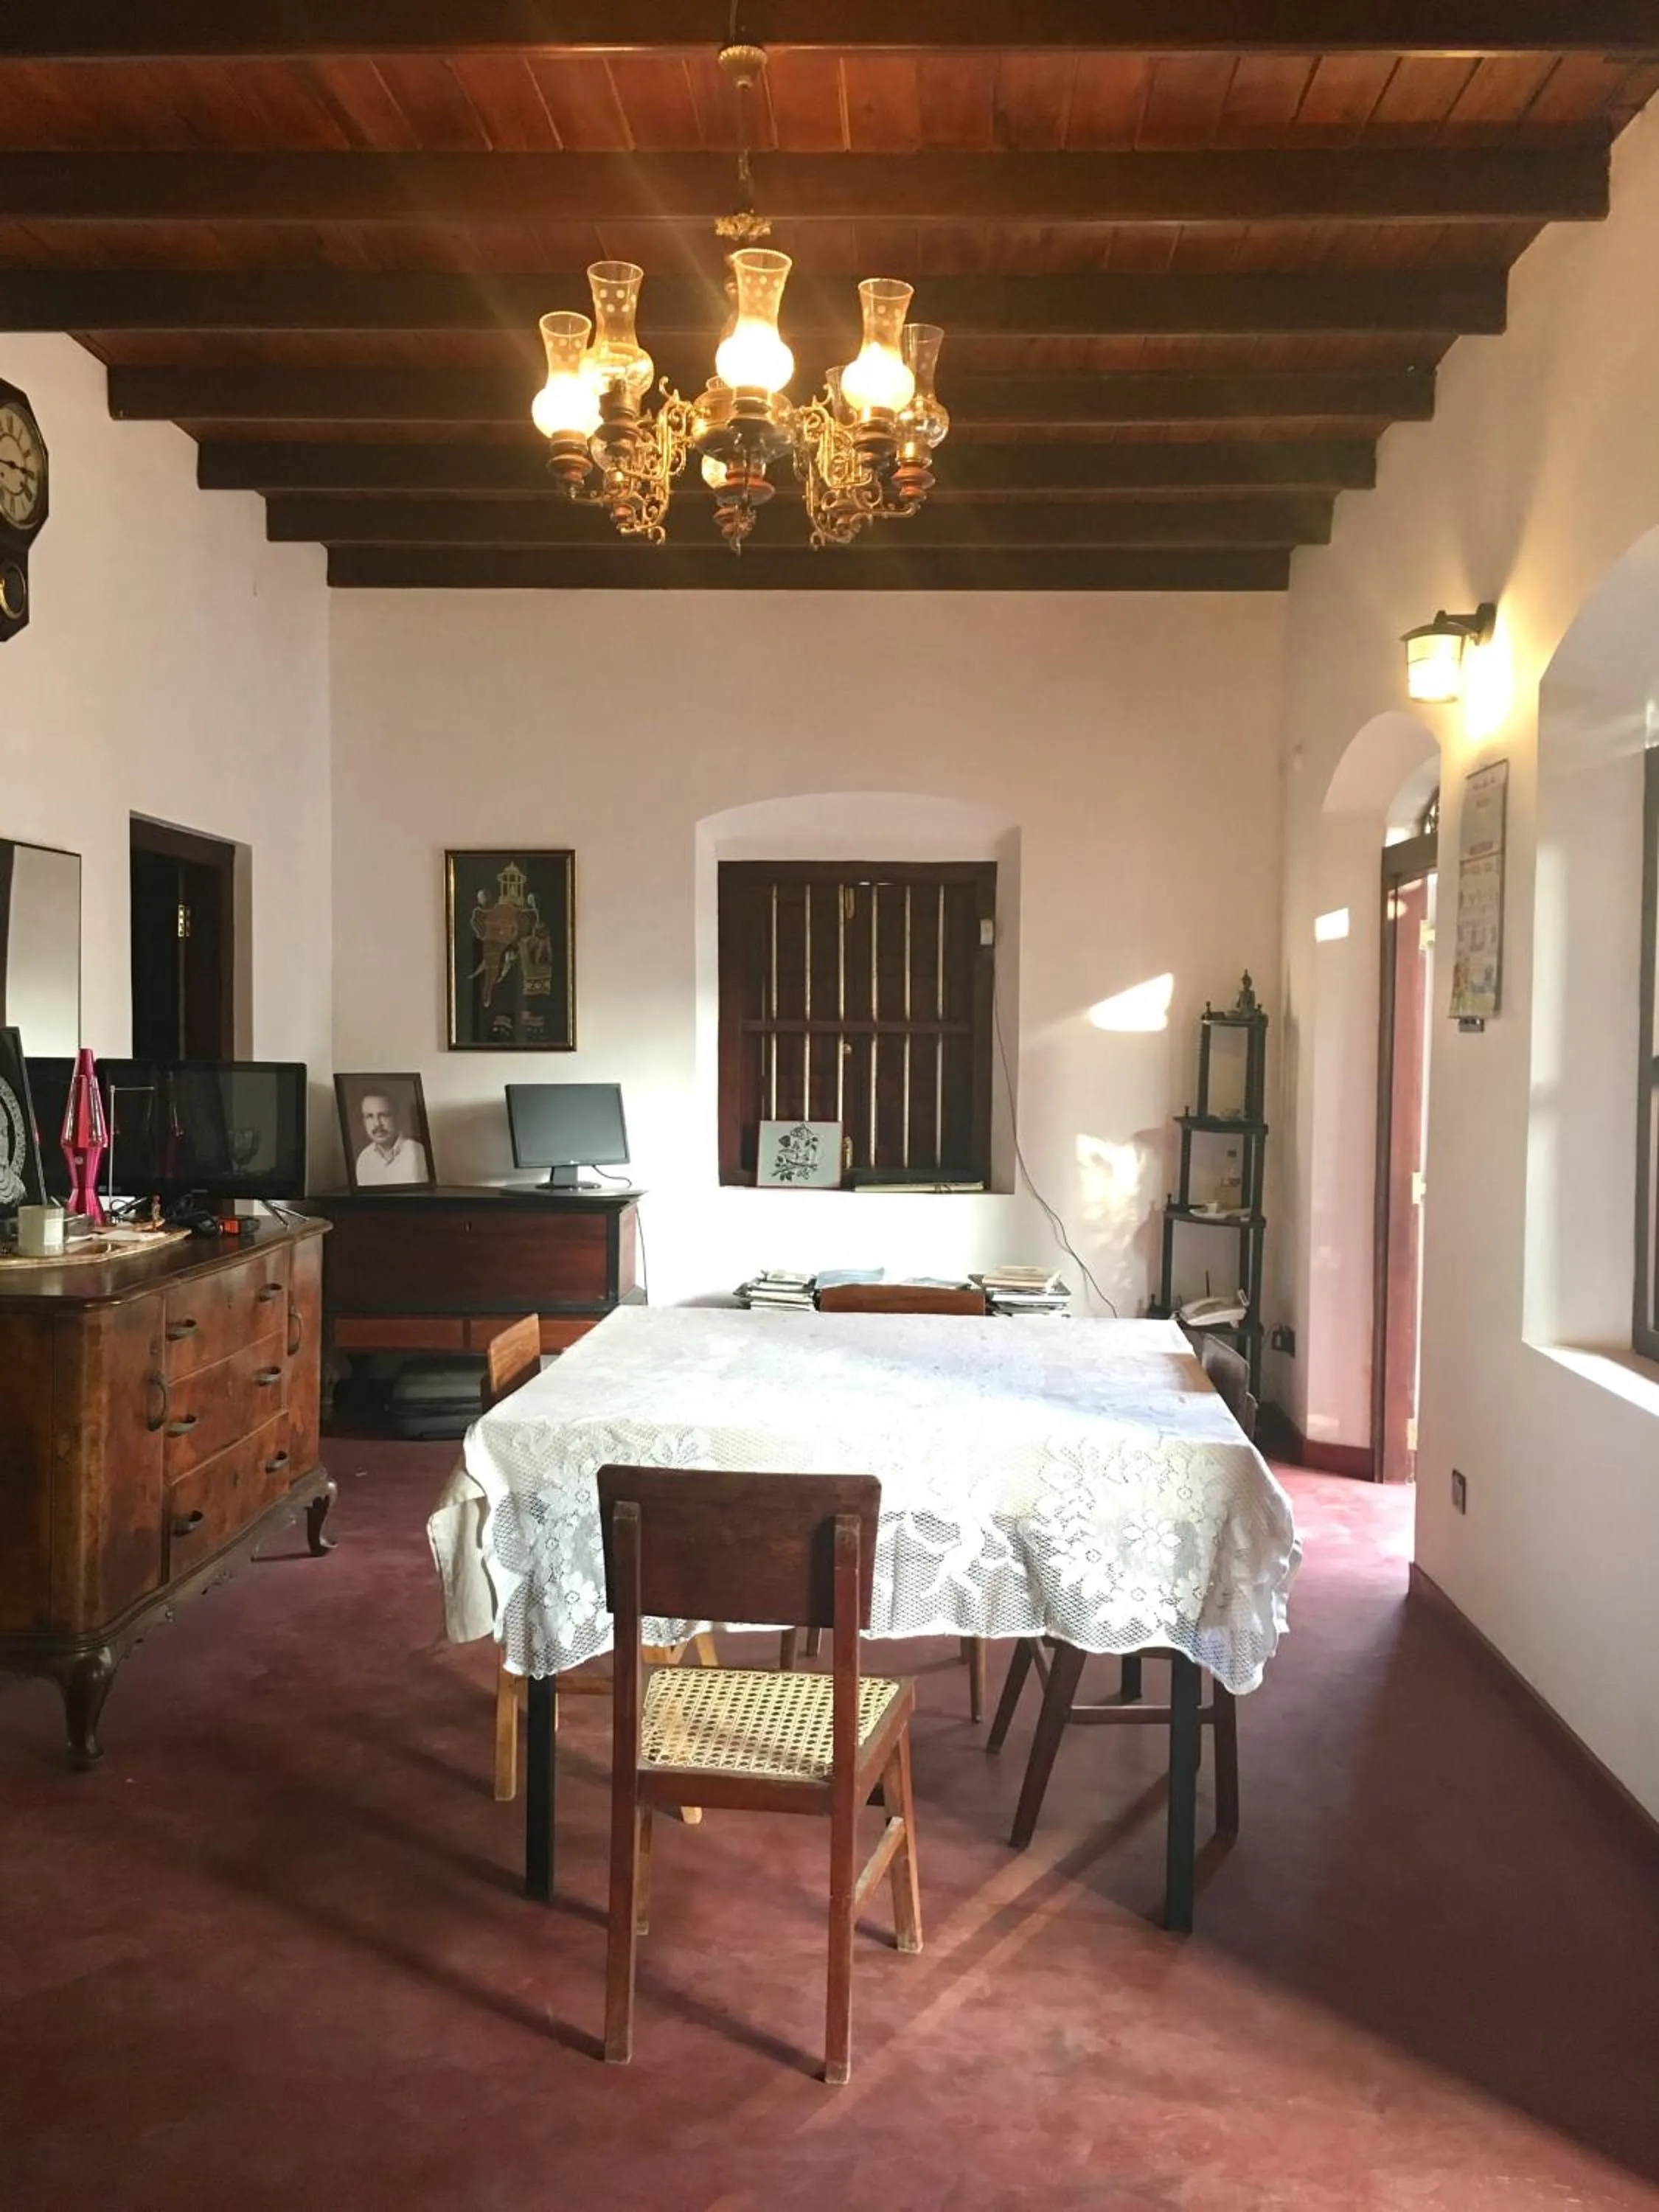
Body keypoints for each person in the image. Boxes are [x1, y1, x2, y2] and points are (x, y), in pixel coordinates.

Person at [354, 1090, 428, 1186]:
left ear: (396, 1117)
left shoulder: (418, 1153)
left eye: (384, 1115)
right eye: (370, 1116)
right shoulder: (364, 1159)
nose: (377, 1124)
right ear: (364, 1122)